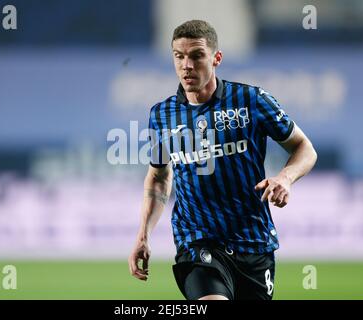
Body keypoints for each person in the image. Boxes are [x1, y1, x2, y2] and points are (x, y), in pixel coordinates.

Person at [128, 20, 317, 300]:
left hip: (253, 242)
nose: (186, 65)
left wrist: (285, 178)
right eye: (179, 56)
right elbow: (158, 176)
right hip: (197, 242)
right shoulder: (162, 115)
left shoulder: (251, 100)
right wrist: (143, 234)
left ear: (216, 58)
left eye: (196, 56)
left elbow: (304, 148)